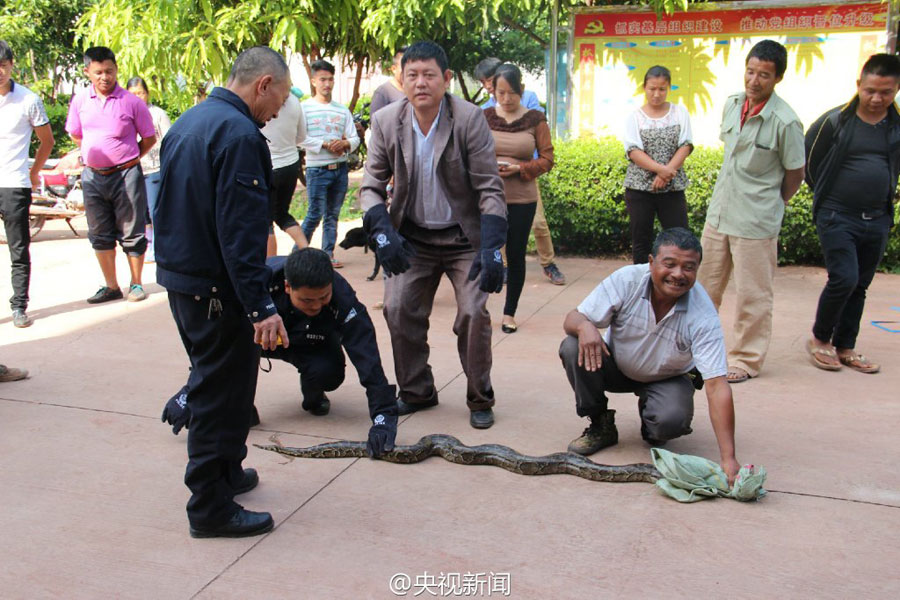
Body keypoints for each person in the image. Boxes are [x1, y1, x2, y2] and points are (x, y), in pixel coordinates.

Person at [154, 46, 291, 539]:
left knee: (233, 385)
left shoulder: (188, 122)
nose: (278, 111)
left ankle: (229, 472)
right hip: (216, 288)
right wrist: (261, 305)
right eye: (279, 98)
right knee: (216, 394)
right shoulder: (238, 135)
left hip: (184, 279)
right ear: (263, 84)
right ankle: (209, 507)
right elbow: (241, 231)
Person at [360, 41, 507, 429]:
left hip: (464, 238)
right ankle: (416, 391)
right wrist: (382, 234)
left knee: (474, 313)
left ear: (445, 79)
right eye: (412, 75)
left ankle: (479, 396)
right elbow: (370, 185)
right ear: (402, 79)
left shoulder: (469, 118)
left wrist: (492, 247)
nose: (420, 83)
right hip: (413, 237)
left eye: (429, 75)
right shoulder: (387, 120)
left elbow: (490, 188)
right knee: (398, 308)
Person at [560, 228, 740, 483]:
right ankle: (600, 423)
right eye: (670, 264)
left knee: (669, 422)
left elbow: (716, 385)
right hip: (617, 365)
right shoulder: (627, 280)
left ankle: (652, 421)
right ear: (651, 261)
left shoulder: (703, 313)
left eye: (689, 267)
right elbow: (573, 317)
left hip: (668, 377)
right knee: (572, 345)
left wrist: (728, 459)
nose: (678, 274)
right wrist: (585, 326)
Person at [697, 40, 805, 384]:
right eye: (750, 71)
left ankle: (745, 358)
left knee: (753, 295)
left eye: (764, 75)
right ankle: (694, 349)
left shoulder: (785, 121)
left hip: (755, 222)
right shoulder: (731, 105)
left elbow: (795, 174)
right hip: (719, 215)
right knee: (702, 287)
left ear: (777, 79)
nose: (754, 80)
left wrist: (772, 204)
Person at [804, 54, 900, 375]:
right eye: (870, 90)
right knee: (844, 277)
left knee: (859, 283)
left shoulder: (896, 126)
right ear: (859, 85)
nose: (876, 98)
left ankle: (846, 346)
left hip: (878, 217)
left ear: (896, 89)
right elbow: (809, 161)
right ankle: (820, 339)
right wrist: (825, 199)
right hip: (836, 215)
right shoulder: (834, 121)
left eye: (885, 92)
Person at [263, 248, 398, 453]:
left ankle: (313, 390)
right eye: (307, 300)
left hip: (312, 342)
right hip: (263, 340)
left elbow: (367, 357)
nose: (316, 305)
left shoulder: (343, 298)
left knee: (329, 374)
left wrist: (383, 417)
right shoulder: (260, 284)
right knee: (233, 353)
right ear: (287, 287)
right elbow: (217, 339)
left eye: (323, 297)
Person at [65, 46, 156, 303]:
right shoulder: (80, 100)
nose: (105, 77)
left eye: (109, 71)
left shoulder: (132, 102)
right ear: (87, 72)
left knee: (132, 230)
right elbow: (75, 133)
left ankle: (136, 284)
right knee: (99, 232)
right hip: (93, 176)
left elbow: (149, 137)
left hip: (126, 174)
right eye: (98, 72)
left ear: (116, 70)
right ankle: (111, 286)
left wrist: (128, 157)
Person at [475, 57, 566, 286]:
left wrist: (522, 168)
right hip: (495, 182)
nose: (488, 86)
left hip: (526, 177)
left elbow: (537, 137)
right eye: (485, 83)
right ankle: (503, 267)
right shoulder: (485, 110)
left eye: (490, 80)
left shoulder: (530, 102)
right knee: (498, 228)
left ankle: (548, 264)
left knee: (539, 223)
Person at [484, 64, 554, 334]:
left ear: (521, 91)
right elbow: (472, 152)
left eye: (511, 93)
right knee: (486, 252)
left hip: (522, 198)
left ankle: (509, 313)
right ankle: (479, 308)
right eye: (500, 92)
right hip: (489, 196)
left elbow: (548, 159)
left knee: (515, 255)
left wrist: (521, 169)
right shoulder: (485, 116)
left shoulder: (535, 119)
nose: (505, 99)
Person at [0, 40, 54, 328]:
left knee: (18, 249)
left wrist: (34, 172)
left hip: (14, 183)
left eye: (3, 66)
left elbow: (47, 141)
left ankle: (19, 306)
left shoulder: (28, 99)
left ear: (11, 66)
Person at [623, 65, 693, 265]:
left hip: (672, 187)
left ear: (669, 88)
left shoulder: (680, 113)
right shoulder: (634, 117)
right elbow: (633, 151)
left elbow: (686, 145)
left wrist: (665, 175)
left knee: (680, 238)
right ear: (644, 87)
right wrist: (661, 170)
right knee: (641, 242)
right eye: (652, 88)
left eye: (662, 89)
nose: (656, 94)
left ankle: (677, 283)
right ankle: (642, 286)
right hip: (639, 189)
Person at [300, 59, 359, 268]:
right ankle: (297, 256)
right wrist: (325, 144)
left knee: (332, 215)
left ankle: (327, 255)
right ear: (313, 81)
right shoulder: (304, 109)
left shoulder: (342, 111)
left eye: (331, 79)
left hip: (340, 170)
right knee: (314, 214)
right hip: (317, 170)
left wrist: (344, 143)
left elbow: (355, 139)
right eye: (323, 79)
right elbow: (299, 139)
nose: (327, 84)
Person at [125, 76, 171, 263]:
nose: (137, 97)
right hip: (134, 170)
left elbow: (169, 141)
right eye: (133, 93)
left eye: (140, 93)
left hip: (155, 170)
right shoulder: (125, 114)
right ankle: (149, 244)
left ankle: (161, 248)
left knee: (155, 211)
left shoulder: (157, 114)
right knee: (141, 213)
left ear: (147, 93)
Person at [261, 93, 309, 256]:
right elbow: (301, 136)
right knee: (282, 214)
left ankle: (270, 265)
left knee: (265, 221)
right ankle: (307, 251)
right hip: (291, 166)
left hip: (269, 167)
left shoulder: (262, 99)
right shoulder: (295, 101)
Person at [370, 47, 407, 117]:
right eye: (404, 67)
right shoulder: (383, 92)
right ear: (394, 69)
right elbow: (376, 123)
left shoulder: (415, 90)